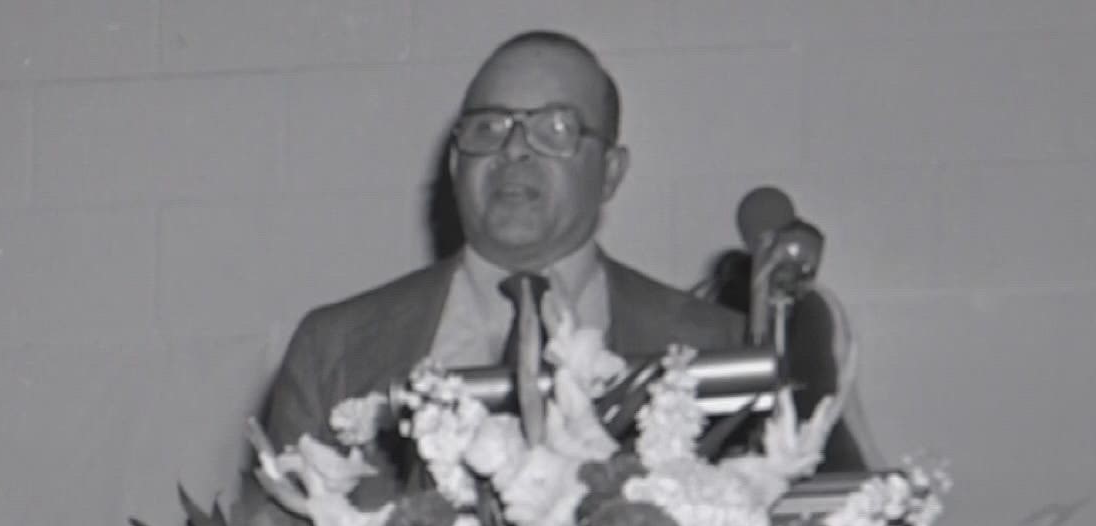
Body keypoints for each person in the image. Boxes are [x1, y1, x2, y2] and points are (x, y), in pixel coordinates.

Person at [250, 29, 745, 461]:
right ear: (454, 165)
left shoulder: (715, 347)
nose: (513, 150)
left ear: (611, 172)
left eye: (555, 128)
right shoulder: (333, 350)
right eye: (489, 127)